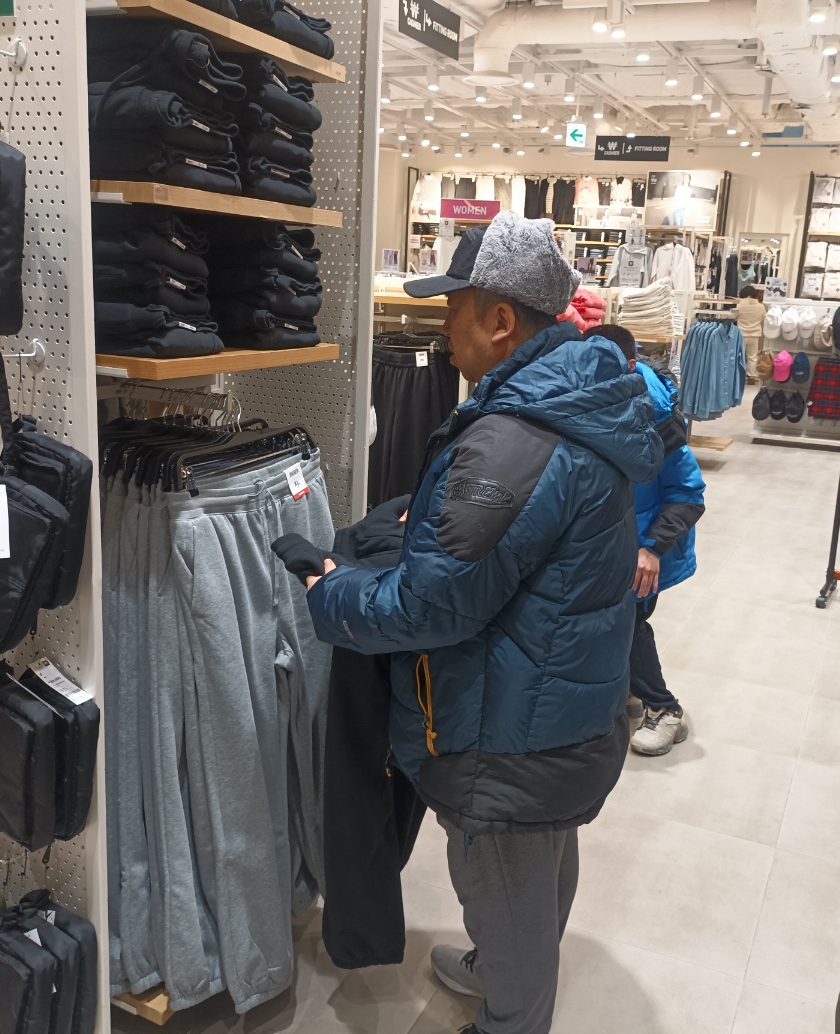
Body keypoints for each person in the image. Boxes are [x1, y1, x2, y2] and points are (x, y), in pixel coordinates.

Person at [271, 212, 661, 1034]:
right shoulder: (573, 400)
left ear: (500, 320)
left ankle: (509, 1010)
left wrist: (330, 591)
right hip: (557, 710)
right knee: (540, 858)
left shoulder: (513, 438)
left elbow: (428, 606)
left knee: (504, 871)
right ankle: (501, 963)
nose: (441, 330)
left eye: (452, 311)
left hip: (506, 733)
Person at [582, 325, 707, 755]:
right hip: (613, 541)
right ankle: (632, 693)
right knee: (613, 624)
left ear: (631, 365)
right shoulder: (599, 400)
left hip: (645, 548)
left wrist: (652, 548)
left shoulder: (658, 418)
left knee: (628, 625)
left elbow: (689, 494)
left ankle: (664, 708)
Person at [736, 285, 767, 384]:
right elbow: (763, 319)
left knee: (739, 356)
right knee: (752, 357)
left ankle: (738, 376)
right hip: (755, 334)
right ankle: (751, 377)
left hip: (741, 334)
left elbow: (733, 316)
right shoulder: (761, 306)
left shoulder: (739, 305)